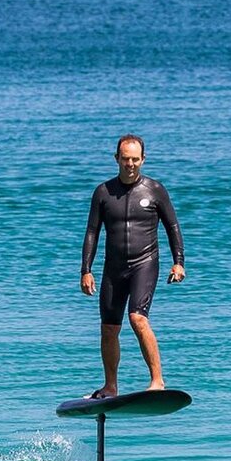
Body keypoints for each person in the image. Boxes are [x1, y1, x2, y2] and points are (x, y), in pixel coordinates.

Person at [80, 135, 186, 396]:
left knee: (138, 318)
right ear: (116, 158)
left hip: (145, 264)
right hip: (113, 268)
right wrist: (86, 270)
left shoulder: (155, 190)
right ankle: (110, 386)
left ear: (143, 159)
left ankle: (157, 381)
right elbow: (92, 232)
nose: (130, 164)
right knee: (109, 328)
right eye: (125, 159)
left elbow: (172, 226)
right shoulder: (103, 192)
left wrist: (178, 262)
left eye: (135, 159)